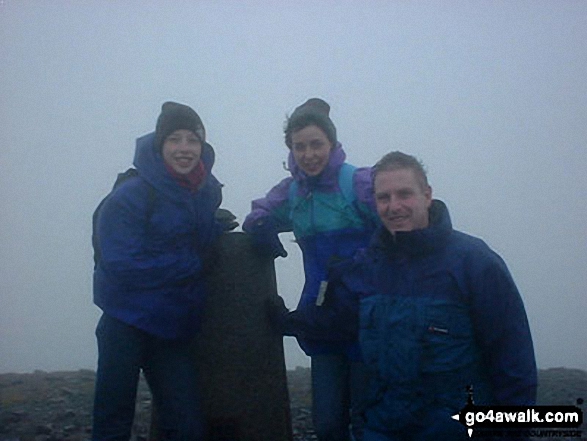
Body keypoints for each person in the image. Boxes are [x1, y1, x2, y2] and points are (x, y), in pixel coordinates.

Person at [327, 151, 537, 440]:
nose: (394, 206)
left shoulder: (475, 263)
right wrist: (283, 321)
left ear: (427, 195)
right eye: (384, 197)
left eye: (404, 194)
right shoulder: (368, 268)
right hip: (383, 428)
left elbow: (513, 361)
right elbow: (337, 329)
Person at [92, 102, 234, 440]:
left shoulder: (205, 191)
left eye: (192, 140)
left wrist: (216, 230)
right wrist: (193, 264)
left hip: (171, 324)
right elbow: (121, 263)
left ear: (202, 146)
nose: (184, 149)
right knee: (113, 420)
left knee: (186, 425)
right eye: (174, 139)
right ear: (160, 145)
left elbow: (190, 236)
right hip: (124, 320)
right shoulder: (129, 196)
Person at [243, 98, 379, 441]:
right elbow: (259, 213)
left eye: (316, 144)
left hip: (368, 321)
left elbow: (395, 227)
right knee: (328, 425)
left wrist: (358, 264)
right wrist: (261, 231)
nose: (309, 154)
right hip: (322, 321)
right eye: (299, 146)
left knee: (368, 420)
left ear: (332, 144)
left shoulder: (358, 183)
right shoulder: (293, 192)